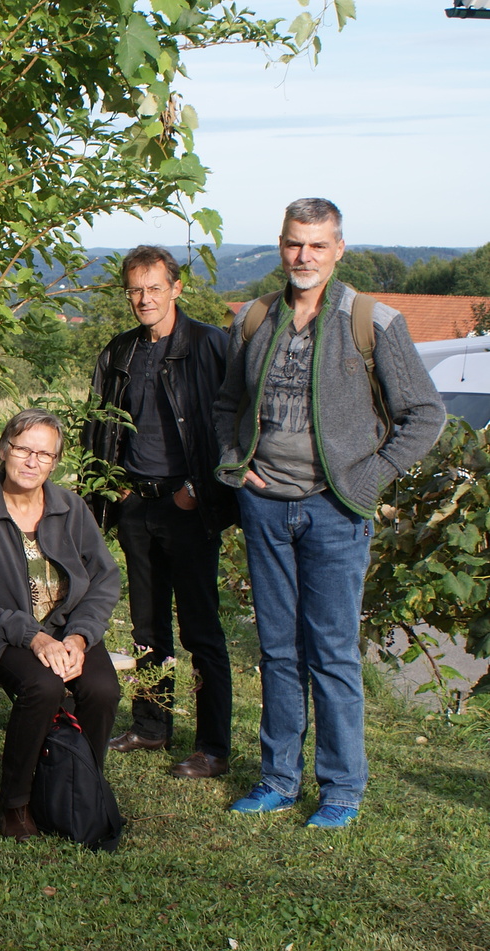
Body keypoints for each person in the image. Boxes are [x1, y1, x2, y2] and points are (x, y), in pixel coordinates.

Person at [214, 198, 445, 828]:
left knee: (333, 654)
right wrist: (235, 464)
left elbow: (426, 414)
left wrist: (368, 477)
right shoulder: (254, 317)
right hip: (266, 507)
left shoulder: (373, 321)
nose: (304, 256)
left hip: (337, 512)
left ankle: (341, 790)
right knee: (278, 649)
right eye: (295, 243)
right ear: (281, 245)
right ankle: (278, 779)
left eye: (318, 244)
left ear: (339, 249)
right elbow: (226, 404)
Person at [83, 245, 238, 779]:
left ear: (176, 288)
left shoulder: (210, 345)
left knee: (200, 629)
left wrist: (199, 488)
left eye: (154, 288)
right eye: (135, 290)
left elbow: (233, 424)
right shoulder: (120, 351)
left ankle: (213, 747)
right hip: (135, 503)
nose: (145, 298)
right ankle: (151, 726)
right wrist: (114, 489)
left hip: (189, 504)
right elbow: (99, 425)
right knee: (147, 625)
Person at [0, 409, 122, 841]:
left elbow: (104, 578)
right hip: (5, 634)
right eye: (23, 450)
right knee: (44, 687)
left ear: (55, 462)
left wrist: (79, 637)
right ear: (3, 450)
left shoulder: (71, 507)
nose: (33, 462)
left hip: (69, 629)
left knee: (102, 689)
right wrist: (34, 638)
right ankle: (16, 801)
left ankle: (80, 784)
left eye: (45, 454)